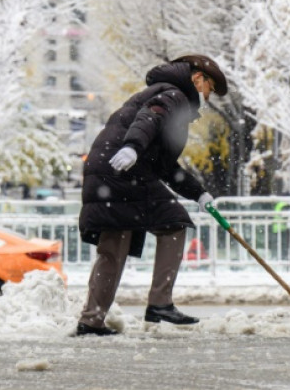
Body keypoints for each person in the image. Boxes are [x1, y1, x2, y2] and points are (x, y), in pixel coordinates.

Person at [75, 55, 228, 336]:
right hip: (124, 170)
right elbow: (151, 117)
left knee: (114, 245)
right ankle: (160, 302)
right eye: (210, 89)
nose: (209, 97)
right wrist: (133, 147)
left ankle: (91, 319)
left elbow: (165, 166)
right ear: (197, 79)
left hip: (107, 170)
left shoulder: (163, 92)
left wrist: (199, 193)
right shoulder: (175, 95)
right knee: (174, 222)